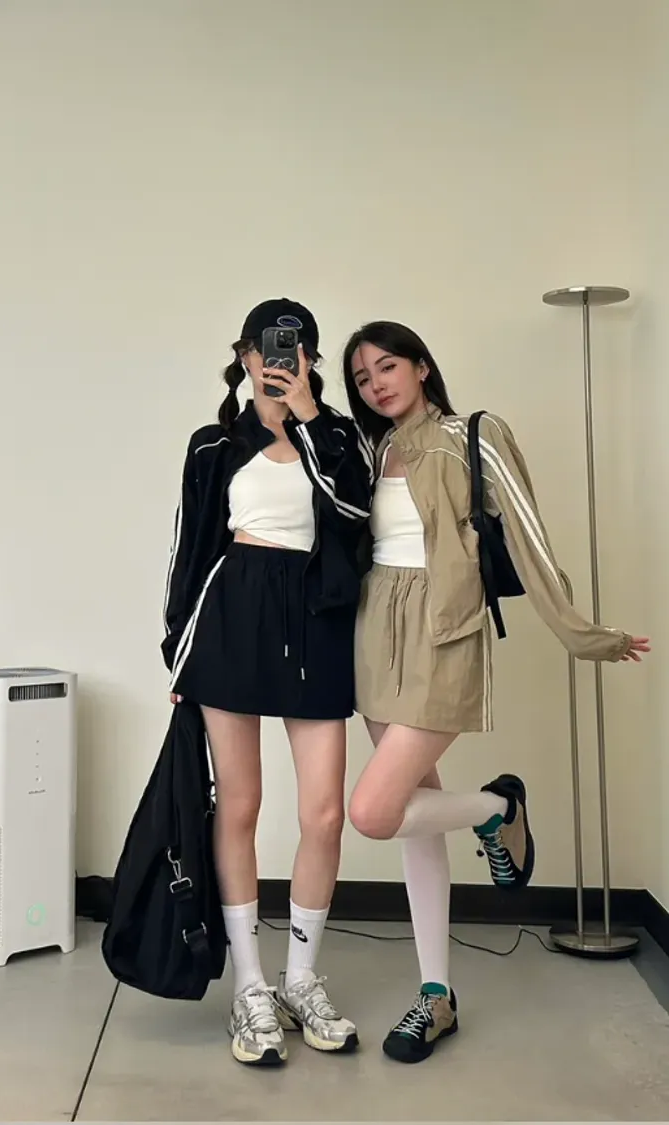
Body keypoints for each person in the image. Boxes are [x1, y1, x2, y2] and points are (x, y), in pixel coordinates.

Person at [342, 319, 650, 1066]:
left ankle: (496, 809)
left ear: (421, 366)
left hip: (444, 634)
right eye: (362, 377)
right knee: (413, 820)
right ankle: (437, 994)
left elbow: (529, 538)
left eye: (387, 367)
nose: (376, 384)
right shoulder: (372, 450)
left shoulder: (472, 436)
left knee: (373, 812)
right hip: (376, 636)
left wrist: (582, 631)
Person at [162, 298, 372, 1066]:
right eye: (265, 347)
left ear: (310, 358)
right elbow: (189, 550)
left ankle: (301, 978)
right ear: (245, 354)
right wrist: (177, 650)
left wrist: (309, 416)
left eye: (294, 348)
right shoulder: (215, 442)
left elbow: (352, 512)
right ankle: (250, 986)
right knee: (240, 805)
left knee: (324, 813)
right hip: (232, 618)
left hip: (315, 620)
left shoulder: (340, 436)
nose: (277, 360)